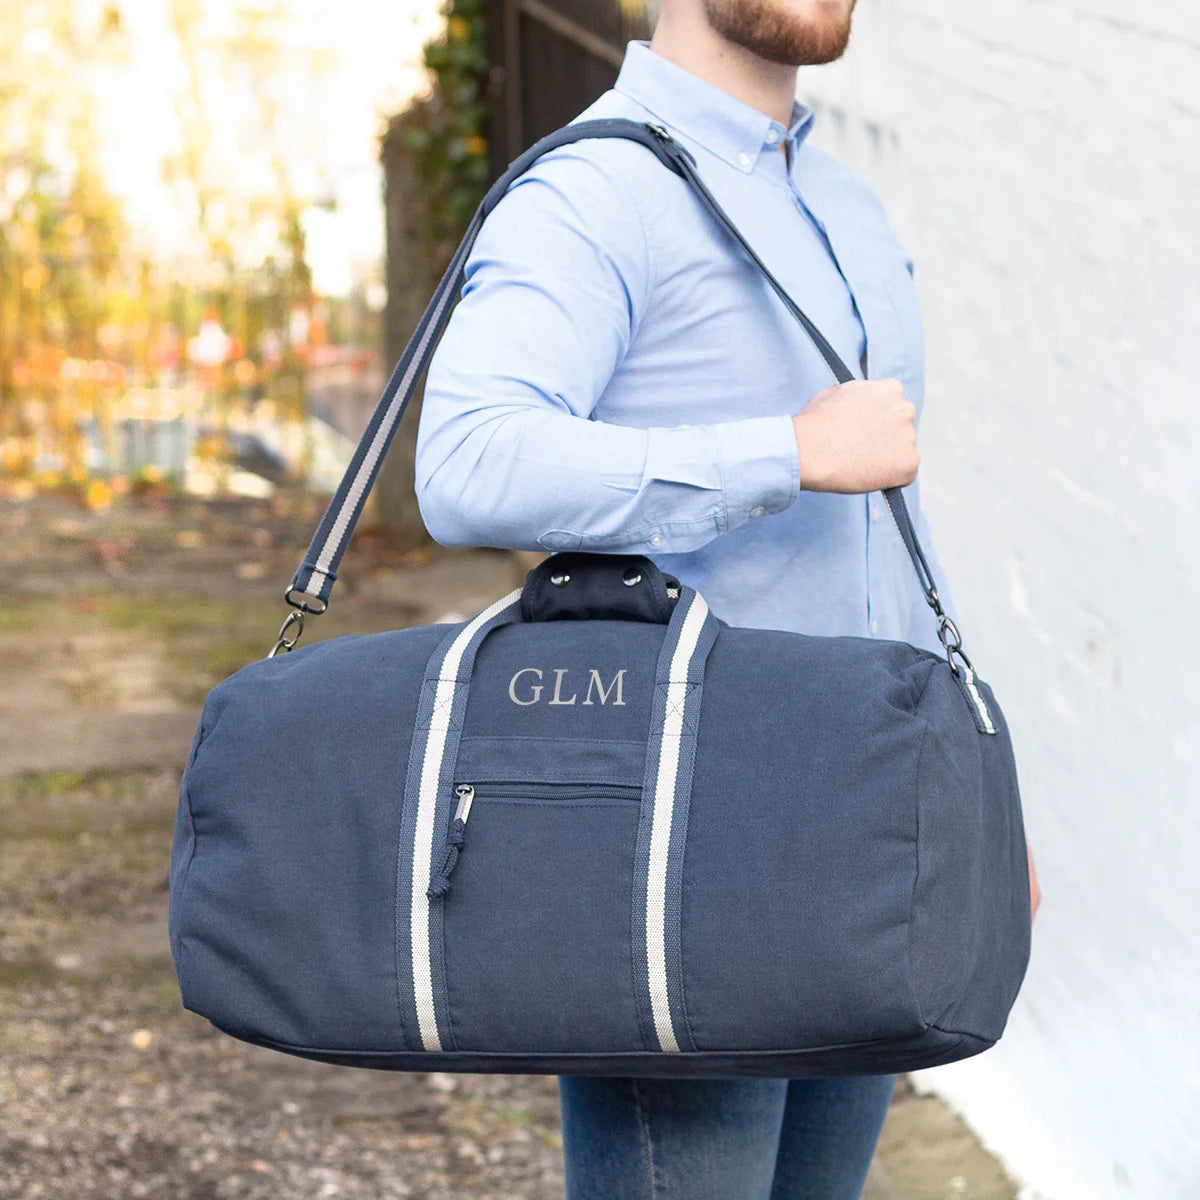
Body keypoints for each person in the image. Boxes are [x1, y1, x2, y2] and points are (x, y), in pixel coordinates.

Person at [415, 1, 1040, 1196]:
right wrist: (783, 452)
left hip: (865, 841)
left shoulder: (849, 207)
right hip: (682, 849)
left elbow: (882, 528)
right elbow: (468, 462)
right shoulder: (595, 193)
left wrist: (973, 790)